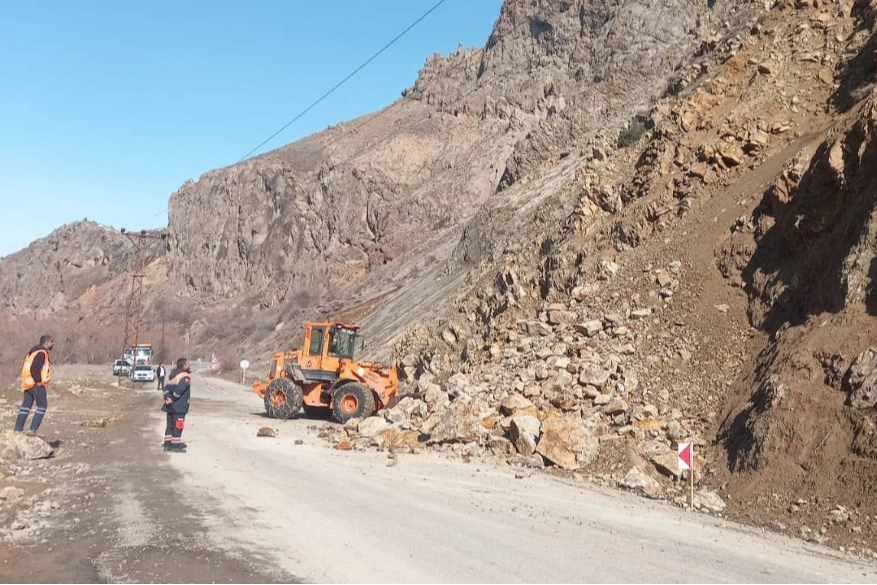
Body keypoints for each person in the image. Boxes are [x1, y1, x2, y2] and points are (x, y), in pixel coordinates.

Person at [15, 335, 54, 436]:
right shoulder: (42, 353)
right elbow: (34, 368)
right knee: (42, 405)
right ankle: (32, 430)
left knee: (26, 405)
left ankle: (18, 429)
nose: (53, 344)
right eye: (52, 342)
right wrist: (38, 381)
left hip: (28, 383)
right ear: (47, 342)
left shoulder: (33, 351)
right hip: (35, 383)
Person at [161, 357, 191, 453]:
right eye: (188, 363)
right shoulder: (185, 377)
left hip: (170, 407)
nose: (189, 365)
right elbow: (180, 390)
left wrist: (167, 398)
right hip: (179, 406)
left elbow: (165, 388)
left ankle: (167, 444)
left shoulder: (172, 376)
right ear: (184, 365)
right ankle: (175, 445)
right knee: (178, 426)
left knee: (169, 426)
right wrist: (172, 398)